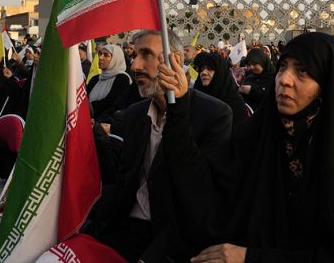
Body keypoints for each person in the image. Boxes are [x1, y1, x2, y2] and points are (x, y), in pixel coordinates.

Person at [159, 32, 334, 262]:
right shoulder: (264, 134)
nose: (285, 80)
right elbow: (200, 184)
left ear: (327, 83)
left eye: (302, 71)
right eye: (282, 68)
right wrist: (180, 104)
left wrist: (250, 258)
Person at [89, 29, 232, 262]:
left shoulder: (214, 115)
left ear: (175, 61)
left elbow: (201, 195)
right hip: (122, 228)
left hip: (174, 236)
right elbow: (125, 181)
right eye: (134, 55)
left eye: (146, 55)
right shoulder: (136, 114)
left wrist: (180, 108)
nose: (135, 66)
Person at [192, 51, 248, 127]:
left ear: (220, 72)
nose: (204, 72)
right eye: (202, 69)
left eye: (210, 69)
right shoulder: (196, 95)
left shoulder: (234, 101)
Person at [86, 44, 132, 122]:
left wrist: (92, 113)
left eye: (106, 55)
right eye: (100, 54)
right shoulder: (95, 79)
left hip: (106, 125)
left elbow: (112, 103)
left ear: (115, 59)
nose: (100, 58)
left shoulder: (122, 78)